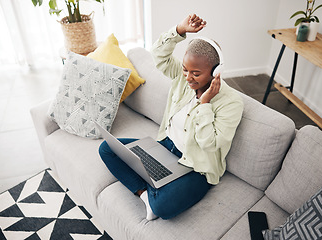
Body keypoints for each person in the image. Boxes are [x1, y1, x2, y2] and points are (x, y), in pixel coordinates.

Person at [99, 14, 244, 220]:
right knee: (107, 148)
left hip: (196, 168)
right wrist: (179, 30)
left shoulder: (231, 103)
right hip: (165, 148)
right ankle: (145, 195)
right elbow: (158, 55)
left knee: (163, 208)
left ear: (216, 72)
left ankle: (155, 190)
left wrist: (205, 104)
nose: (188, 77)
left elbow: (210, 143)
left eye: (196, 73)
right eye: (185, 69)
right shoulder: (182, 78)